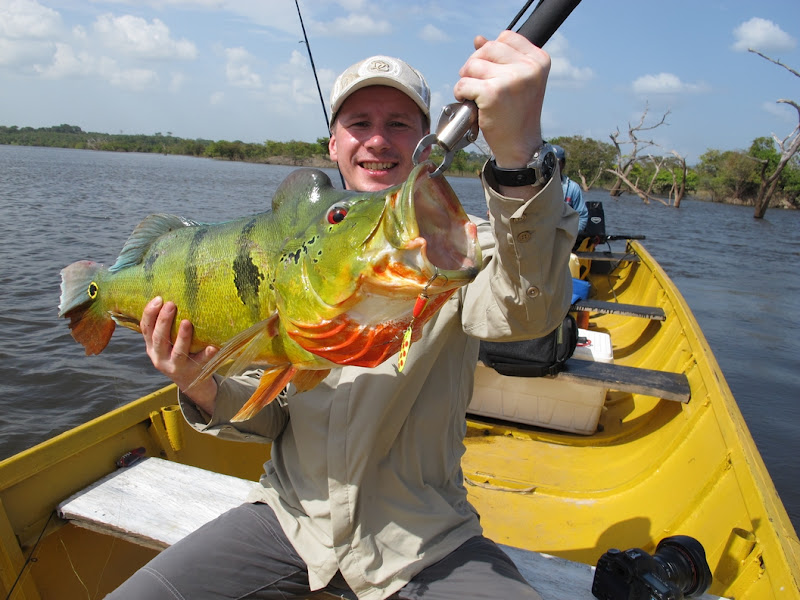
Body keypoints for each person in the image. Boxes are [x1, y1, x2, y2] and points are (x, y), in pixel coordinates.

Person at [112, 30, 578, 600]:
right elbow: (272, 415)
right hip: (288, 524)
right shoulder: (290, 257)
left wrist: (517, 156)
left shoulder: (459, 248)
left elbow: (524, 312)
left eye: (399, 124)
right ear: (333, 144)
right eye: (359, 123)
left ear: (428, 141)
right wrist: (199, 383)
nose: (377, 140)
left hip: (425, 543)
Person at [553, 144, 588, 233]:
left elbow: (582, 216)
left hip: (564, 237)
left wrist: (569, 237)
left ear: (563, 164)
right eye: (549, 161)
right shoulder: (535, 186)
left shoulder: (573, 188)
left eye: (556, 162)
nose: (552, 166)